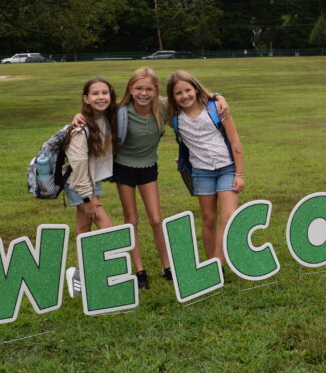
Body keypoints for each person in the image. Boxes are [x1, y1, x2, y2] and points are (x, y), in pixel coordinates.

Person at [73, 67, 229, 289]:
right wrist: (78, 115)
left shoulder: (163, 107)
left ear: (156, 90)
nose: (143, 93)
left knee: (156, 218)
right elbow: (94, 116)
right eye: (138, 88)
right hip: (124, 168)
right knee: (132, 219)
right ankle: (139, 271)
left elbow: (194, 96)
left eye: (148, 89)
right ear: (130, 89)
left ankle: (167, 267)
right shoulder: (120, 112)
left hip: (148, 167)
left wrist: (219, 96)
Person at [166, 70, 244, 266]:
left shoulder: (216, 108)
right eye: (178, 93)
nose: (185, 96)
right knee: (208, 219)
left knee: (228, 217)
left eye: (188, 90)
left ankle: (218, 264)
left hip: (227, 168)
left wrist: (240, 174)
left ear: (195, 88)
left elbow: (235, 142)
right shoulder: (173, 116)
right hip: (201, 173)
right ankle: (210, 264)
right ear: (172, 97)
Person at [63, 77, 117, 297]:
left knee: (84, 229)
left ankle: (78, 276)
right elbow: (77, 165)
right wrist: (89, 197)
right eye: (95, 93)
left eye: (105, 93)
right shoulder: (81, 127)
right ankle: (108, 277)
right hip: (79, 183)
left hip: (89, 180)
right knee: (109, 230)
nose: (101, 97)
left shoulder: (105, 118)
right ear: (86, 98)